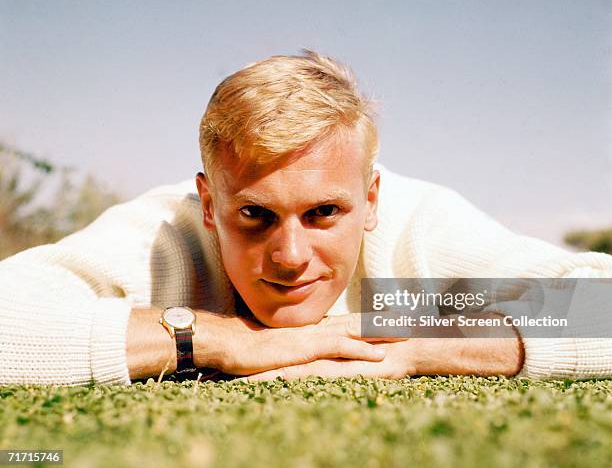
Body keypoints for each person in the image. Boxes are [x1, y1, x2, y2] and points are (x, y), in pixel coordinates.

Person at [1, 50, 611, 386]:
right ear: (210, 205)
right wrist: (222, 341)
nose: (290, 256)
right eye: (255, 215)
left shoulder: (413, 240)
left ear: (370, 200)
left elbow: (600, 301)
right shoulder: (165, 238)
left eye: (324, 212)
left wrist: (420, 350)